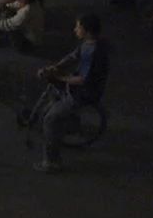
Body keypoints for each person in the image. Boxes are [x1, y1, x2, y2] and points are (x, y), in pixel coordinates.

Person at [34, 13, 108, 172]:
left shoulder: (95, 53)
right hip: (76, 85)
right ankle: (68, 123)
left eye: (78, 27)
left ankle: (52, 161)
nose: (75, 30)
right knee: (52, 93)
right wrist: (55, 67)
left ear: (86, 30)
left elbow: (83, 80)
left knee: (49, 119)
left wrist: (61, 77)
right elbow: (72, 56)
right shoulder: (87, 43)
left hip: (83, 93)